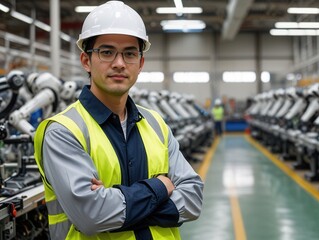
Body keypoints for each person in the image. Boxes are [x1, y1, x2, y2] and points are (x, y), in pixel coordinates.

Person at [34, 1, 203, 239]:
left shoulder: (155, 124)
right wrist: (159, 188)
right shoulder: (64, 131)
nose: (119, 63)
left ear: (140, 63)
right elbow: (91, 217)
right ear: (86, 61)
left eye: (130, 53)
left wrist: (115, 203)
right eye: (106, 52)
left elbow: (193, 198)